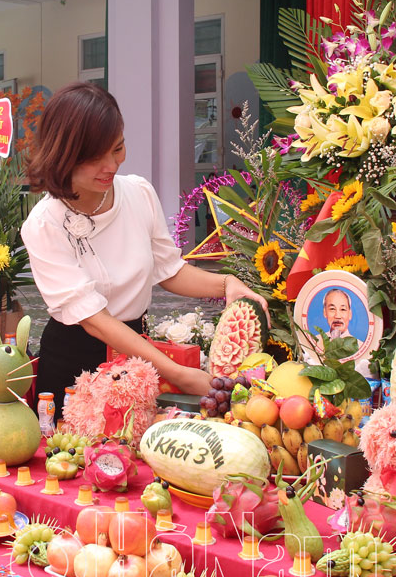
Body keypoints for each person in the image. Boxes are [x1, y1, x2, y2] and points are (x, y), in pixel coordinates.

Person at [21, 82, 267, 401]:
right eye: (95, 157)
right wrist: (176, 373)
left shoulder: (138, 193)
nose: (111, 166)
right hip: (76, 365)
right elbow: (95, 321)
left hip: (139, 359)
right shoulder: (45, 224)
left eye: (118, 148)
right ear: (63, 154)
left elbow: (169, 271)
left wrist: (227, 284)